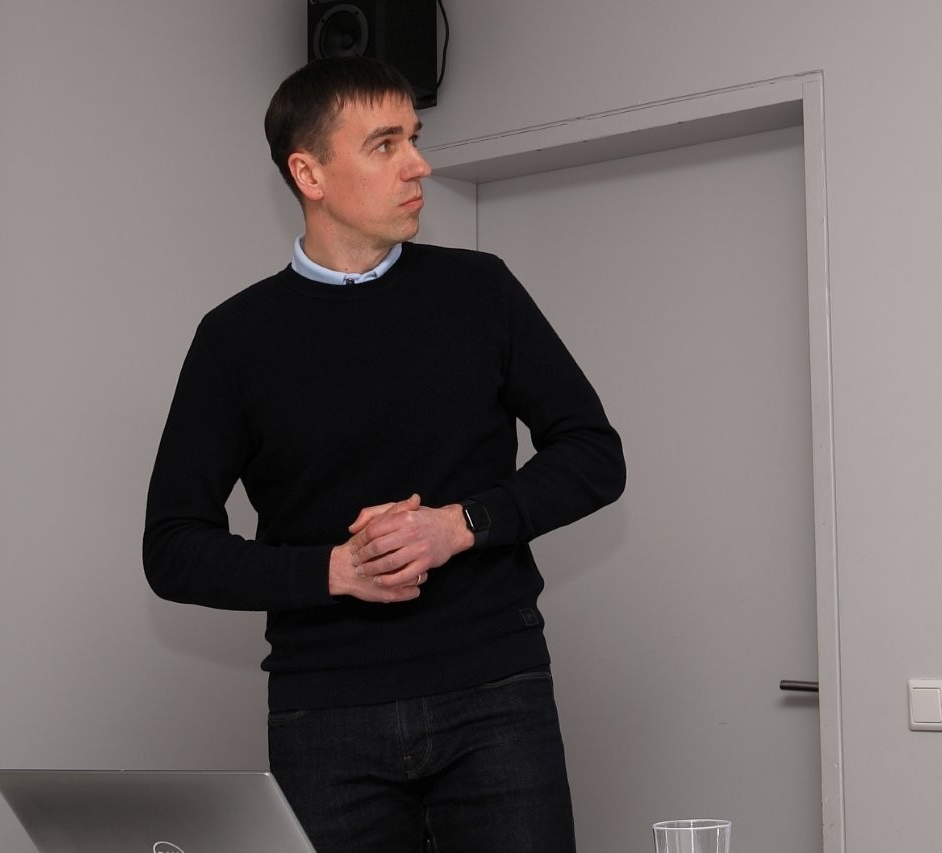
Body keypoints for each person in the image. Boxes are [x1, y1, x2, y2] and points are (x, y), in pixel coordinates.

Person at [142, 56, 625, 853]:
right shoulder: (234, 339)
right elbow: (172, 548)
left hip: (496, 695)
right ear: (309, 173)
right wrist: (334, 570)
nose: (418, 164)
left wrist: (460, 525)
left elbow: (593, 453)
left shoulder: (482, 290)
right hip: (324, 717)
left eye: (414, 138)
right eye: (384, 144)